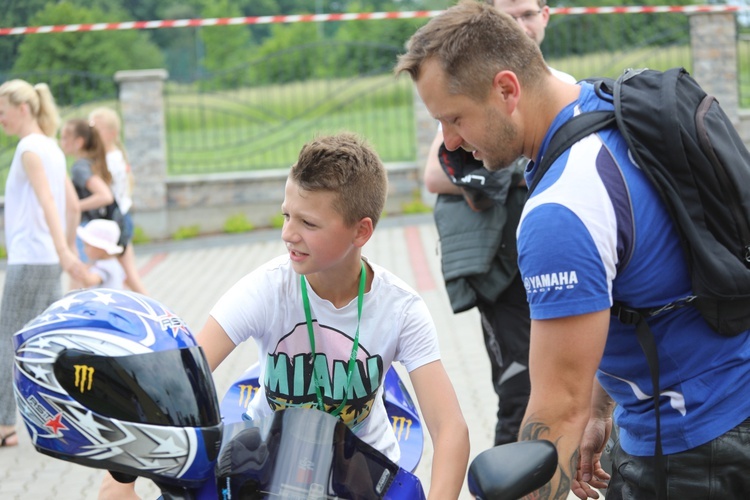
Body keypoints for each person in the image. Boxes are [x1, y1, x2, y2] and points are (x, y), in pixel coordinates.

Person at [395, 2, 750, 499]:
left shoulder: (559, 211)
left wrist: (575, 420)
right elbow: (640, 283)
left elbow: (556, 413)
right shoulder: (603, 110)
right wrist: (602, 408)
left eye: (454, 119)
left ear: (505, 89)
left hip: (696, 448)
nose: (450, 144)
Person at [99, 132, 470, 499]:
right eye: (286, 216)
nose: (288, 234)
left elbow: (450, 427)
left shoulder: (401, 308)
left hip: (362, 477)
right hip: (264, 469)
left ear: (361, 231)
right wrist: (119, 482)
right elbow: (176, 381)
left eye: (308, 224)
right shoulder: (266, 288)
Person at [423, 0, 574, 447]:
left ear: (546, 15)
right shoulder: (476, 94)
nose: (521, 26)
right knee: (519, 392)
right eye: (509, 17)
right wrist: (516, 163)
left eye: (528, 14)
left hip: (556, 261)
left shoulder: (564, 87)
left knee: (569, 386)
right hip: (502, 270)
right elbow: (435, 173)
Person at [0, 79, 83, 449]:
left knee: (8, 339)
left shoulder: (29, 149)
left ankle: (4, 425)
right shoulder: (50, 147)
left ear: (23, 108)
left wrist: (66, 251)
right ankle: (61, 419)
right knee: (48, 342)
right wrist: (64, 249)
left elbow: (50, 201)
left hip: (30, 257)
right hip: (46, 258)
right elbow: (74, 206)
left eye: (2, 111)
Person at [88, 107, 147, 295]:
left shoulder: (110, 159)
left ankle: (157, 313)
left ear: (112, 133)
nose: (93, 135)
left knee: (130, 276)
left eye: (97, 130)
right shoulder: (113, 156)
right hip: (119, 218)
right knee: (128, 275)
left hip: (116, 221)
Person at [59, 118, 120, 288]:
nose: (61, 142)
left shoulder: (80, 167)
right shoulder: (92, 162)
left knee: (79, 280)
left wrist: (75, 206)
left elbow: (104, 196)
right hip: (97, 225)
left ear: (79, 142)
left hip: (87, 228)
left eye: (64, 138)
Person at [75, 219, 126, 290]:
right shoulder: (114, 263)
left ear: (101, 248)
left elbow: (90, 281)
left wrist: (82, 272)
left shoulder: (103, 266)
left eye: (87, 245)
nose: (84, 249)